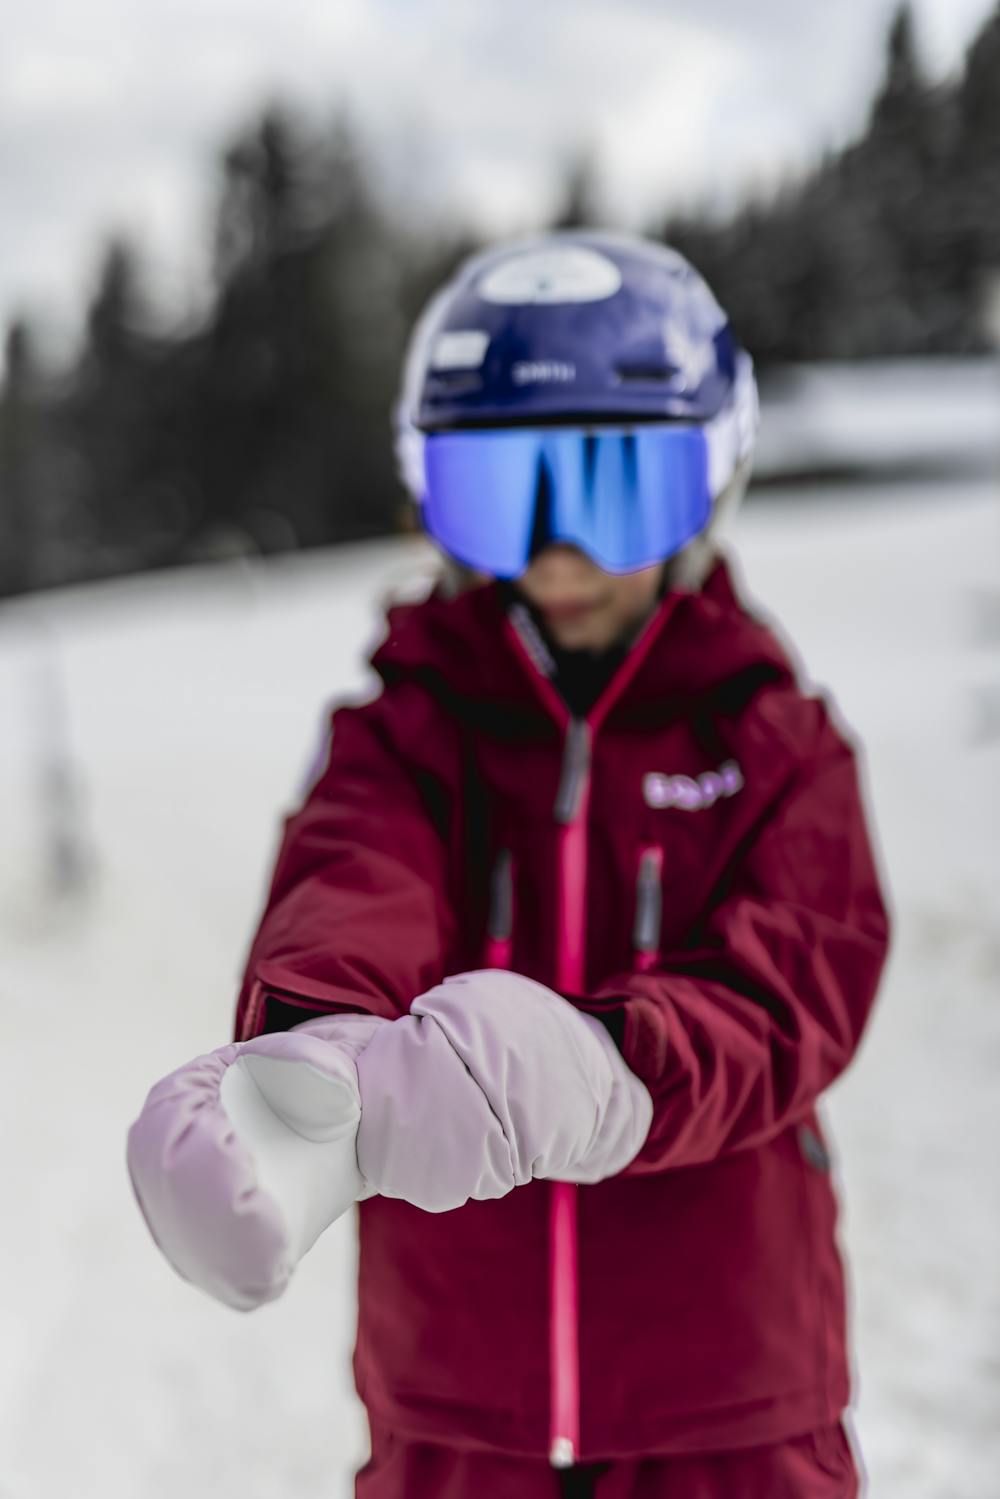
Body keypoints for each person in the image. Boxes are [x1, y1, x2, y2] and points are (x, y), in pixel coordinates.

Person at [127, 232, 890, 1498]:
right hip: (456, 1402)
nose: (556, 553)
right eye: (503, 493)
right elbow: (354, 876)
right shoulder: (406, 728)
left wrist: (609, 1066)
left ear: (712, 480)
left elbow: (791, 987)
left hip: (730, 1394)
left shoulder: (776, 741)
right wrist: (308, 1071)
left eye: (614, 487)